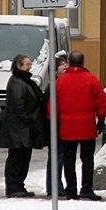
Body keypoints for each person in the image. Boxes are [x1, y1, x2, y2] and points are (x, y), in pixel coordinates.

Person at [54, 50, 106, 201]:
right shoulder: (91, 79)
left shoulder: (61, 81)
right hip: (87, 127)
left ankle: (71, 190)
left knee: (68, 160)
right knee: (87, 159)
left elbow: (53, 105)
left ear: (69, 63)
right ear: (84, 62)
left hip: (67, 128)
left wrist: (55, 121)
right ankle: (86, 189)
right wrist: (101, 119)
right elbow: (101, 101)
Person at [0, 54, 45, 198]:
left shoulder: (24, 80)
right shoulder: (17, 82)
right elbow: (18, 105)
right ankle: (13, 187)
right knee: (17, 158)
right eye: (27, 64)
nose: (30, 66)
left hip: (23, 128)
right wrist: (29, 119)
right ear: (19, 65)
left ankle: (19, 185)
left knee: (24, 157)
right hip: (18, 129)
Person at [44, 55, 68, 197]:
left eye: (66, 63)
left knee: (58, 156)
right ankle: (54, 186)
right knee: (56, 156)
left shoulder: (57, 83)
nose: (65, 66)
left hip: (58, 125)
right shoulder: (54, 85)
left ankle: (54, 186)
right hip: (55, 126)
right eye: (62, 64)